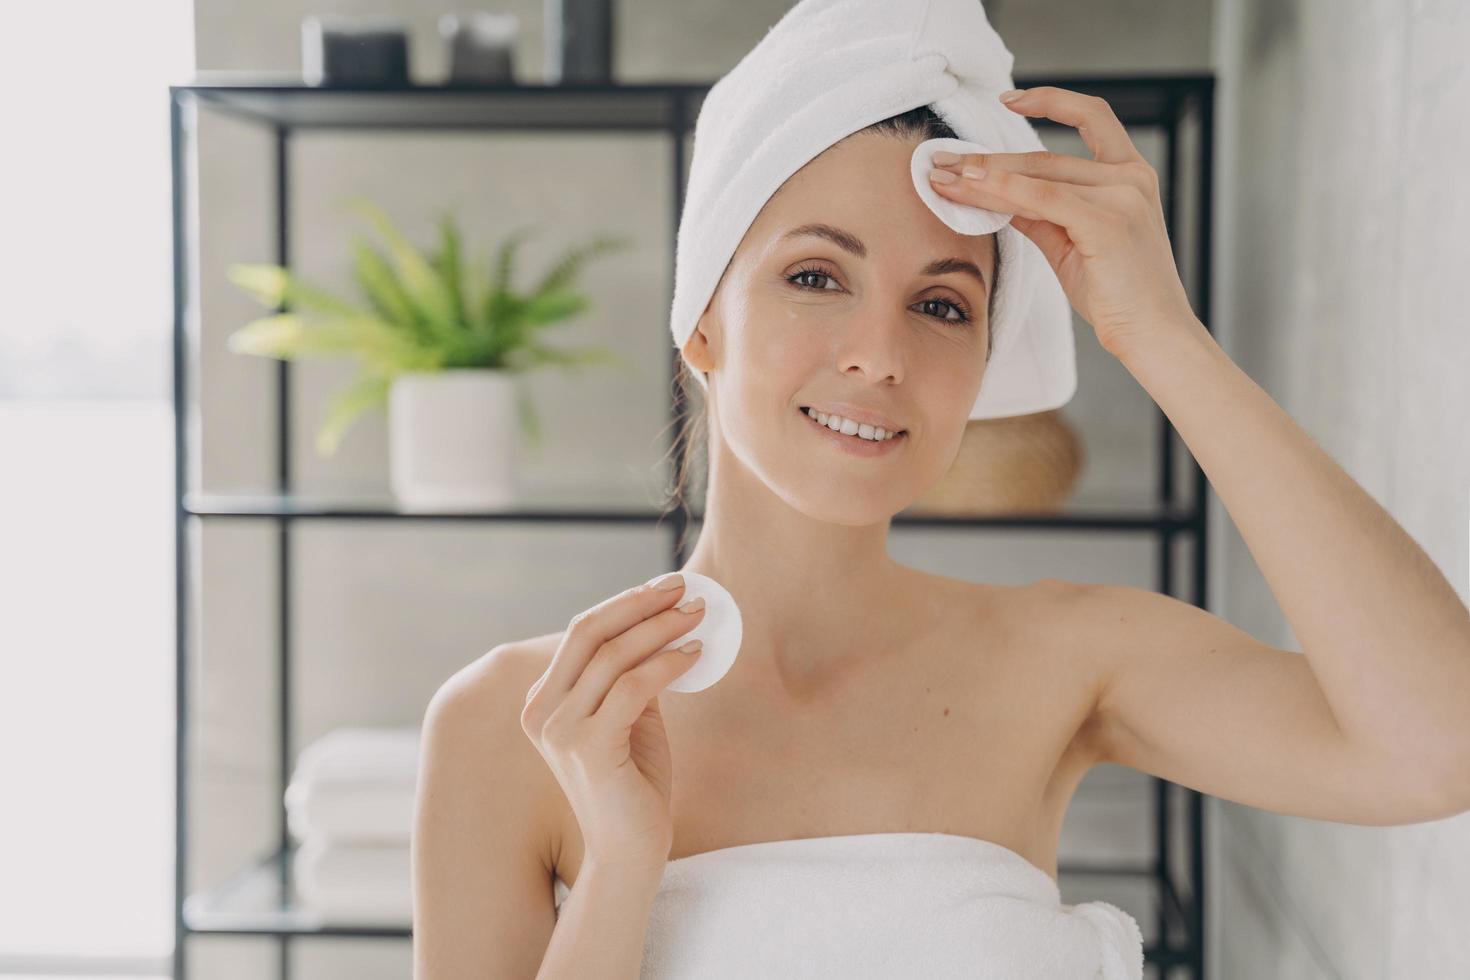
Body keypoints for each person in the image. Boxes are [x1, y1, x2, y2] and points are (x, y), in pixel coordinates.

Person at [410, 81, 1470, 980]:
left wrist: (1161, 334)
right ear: (703, 317)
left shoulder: (1068, 658)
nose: (880, 353)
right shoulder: (521, 722)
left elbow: (1437, 747)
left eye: (944, 304)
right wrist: (622, 862)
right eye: (817, 276)